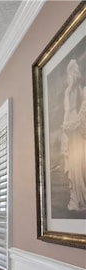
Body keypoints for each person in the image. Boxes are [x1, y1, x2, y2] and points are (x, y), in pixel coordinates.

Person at [60, 59, 86, 213]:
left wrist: (73, 123)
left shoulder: (80, 89)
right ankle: (74, 197)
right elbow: (66, 111)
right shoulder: (68, 91)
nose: (70, 76)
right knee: (73, 162)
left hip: (76, 124)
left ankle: (80, 195)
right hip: (70, 125)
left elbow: (83, 109)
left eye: (71, 72)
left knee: (78, 162)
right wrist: (65, 127)